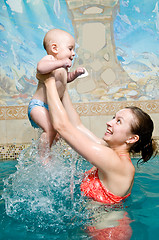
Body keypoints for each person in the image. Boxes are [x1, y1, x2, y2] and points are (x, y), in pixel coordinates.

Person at [37, 70, 158, 205]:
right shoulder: (110, 152)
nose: (109, 122)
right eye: (113, 118)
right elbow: (77, 126)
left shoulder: (114, 162)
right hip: (98, 221)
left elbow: (62, 127)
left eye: (119, 121)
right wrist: (62, 87)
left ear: (132, 139)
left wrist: (49, 82)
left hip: (108, 225)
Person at [28, 29, 85, 155]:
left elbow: (65, 79)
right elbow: (40, 68)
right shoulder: (50, 59)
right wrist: (61, 62)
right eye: (70, 49)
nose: (73, 53)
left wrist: (75, 74)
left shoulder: (62, 68)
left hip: (50, 108)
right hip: (38, 106)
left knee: (57, 134)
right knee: (50, 129)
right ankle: (42, 159)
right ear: (54, 48)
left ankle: (49, 154)